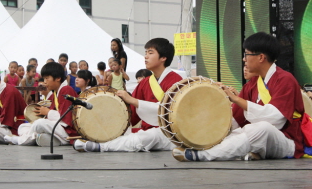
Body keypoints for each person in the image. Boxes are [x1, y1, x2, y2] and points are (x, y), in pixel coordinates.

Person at [173, 32, 305, 161]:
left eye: (246, 55)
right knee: (237, 132)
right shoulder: (252, 84)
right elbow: (235, 119)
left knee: (263, 128)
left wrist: (236, 99)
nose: (244, 59)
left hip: (286, 141)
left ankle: (202, 156)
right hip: (258, 134)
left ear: (260, 57)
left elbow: (276, 119)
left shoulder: (285, 79)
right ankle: (202, 148)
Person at [74, 37, 183, 152]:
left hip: (168, 133)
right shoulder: (146, 82)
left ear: (163, 58)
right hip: (147, 131)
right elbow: (131, 112)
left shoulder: (176, 81)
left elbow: (169, 110)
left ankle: (101, 147)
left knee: (148, 137)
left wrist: (133, 100)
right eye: (145, 53)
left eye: (150, 53)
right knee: (128, 134)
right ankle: (99, 142)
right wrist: (109, 125)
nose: (146, 56)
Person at [4, 62, 79, 146]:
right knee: (23, 127)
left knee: (39, 123)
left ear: (58, 78)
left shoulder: (66, 90)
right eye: (44, 79)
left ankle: (21, 140)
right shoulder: (57, 91)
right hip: (58, 129)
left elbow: (66, 119)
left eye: (47, 78)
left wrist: (47, 112)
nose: (45, 82)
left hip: (68, 131)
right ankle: (37, 137)